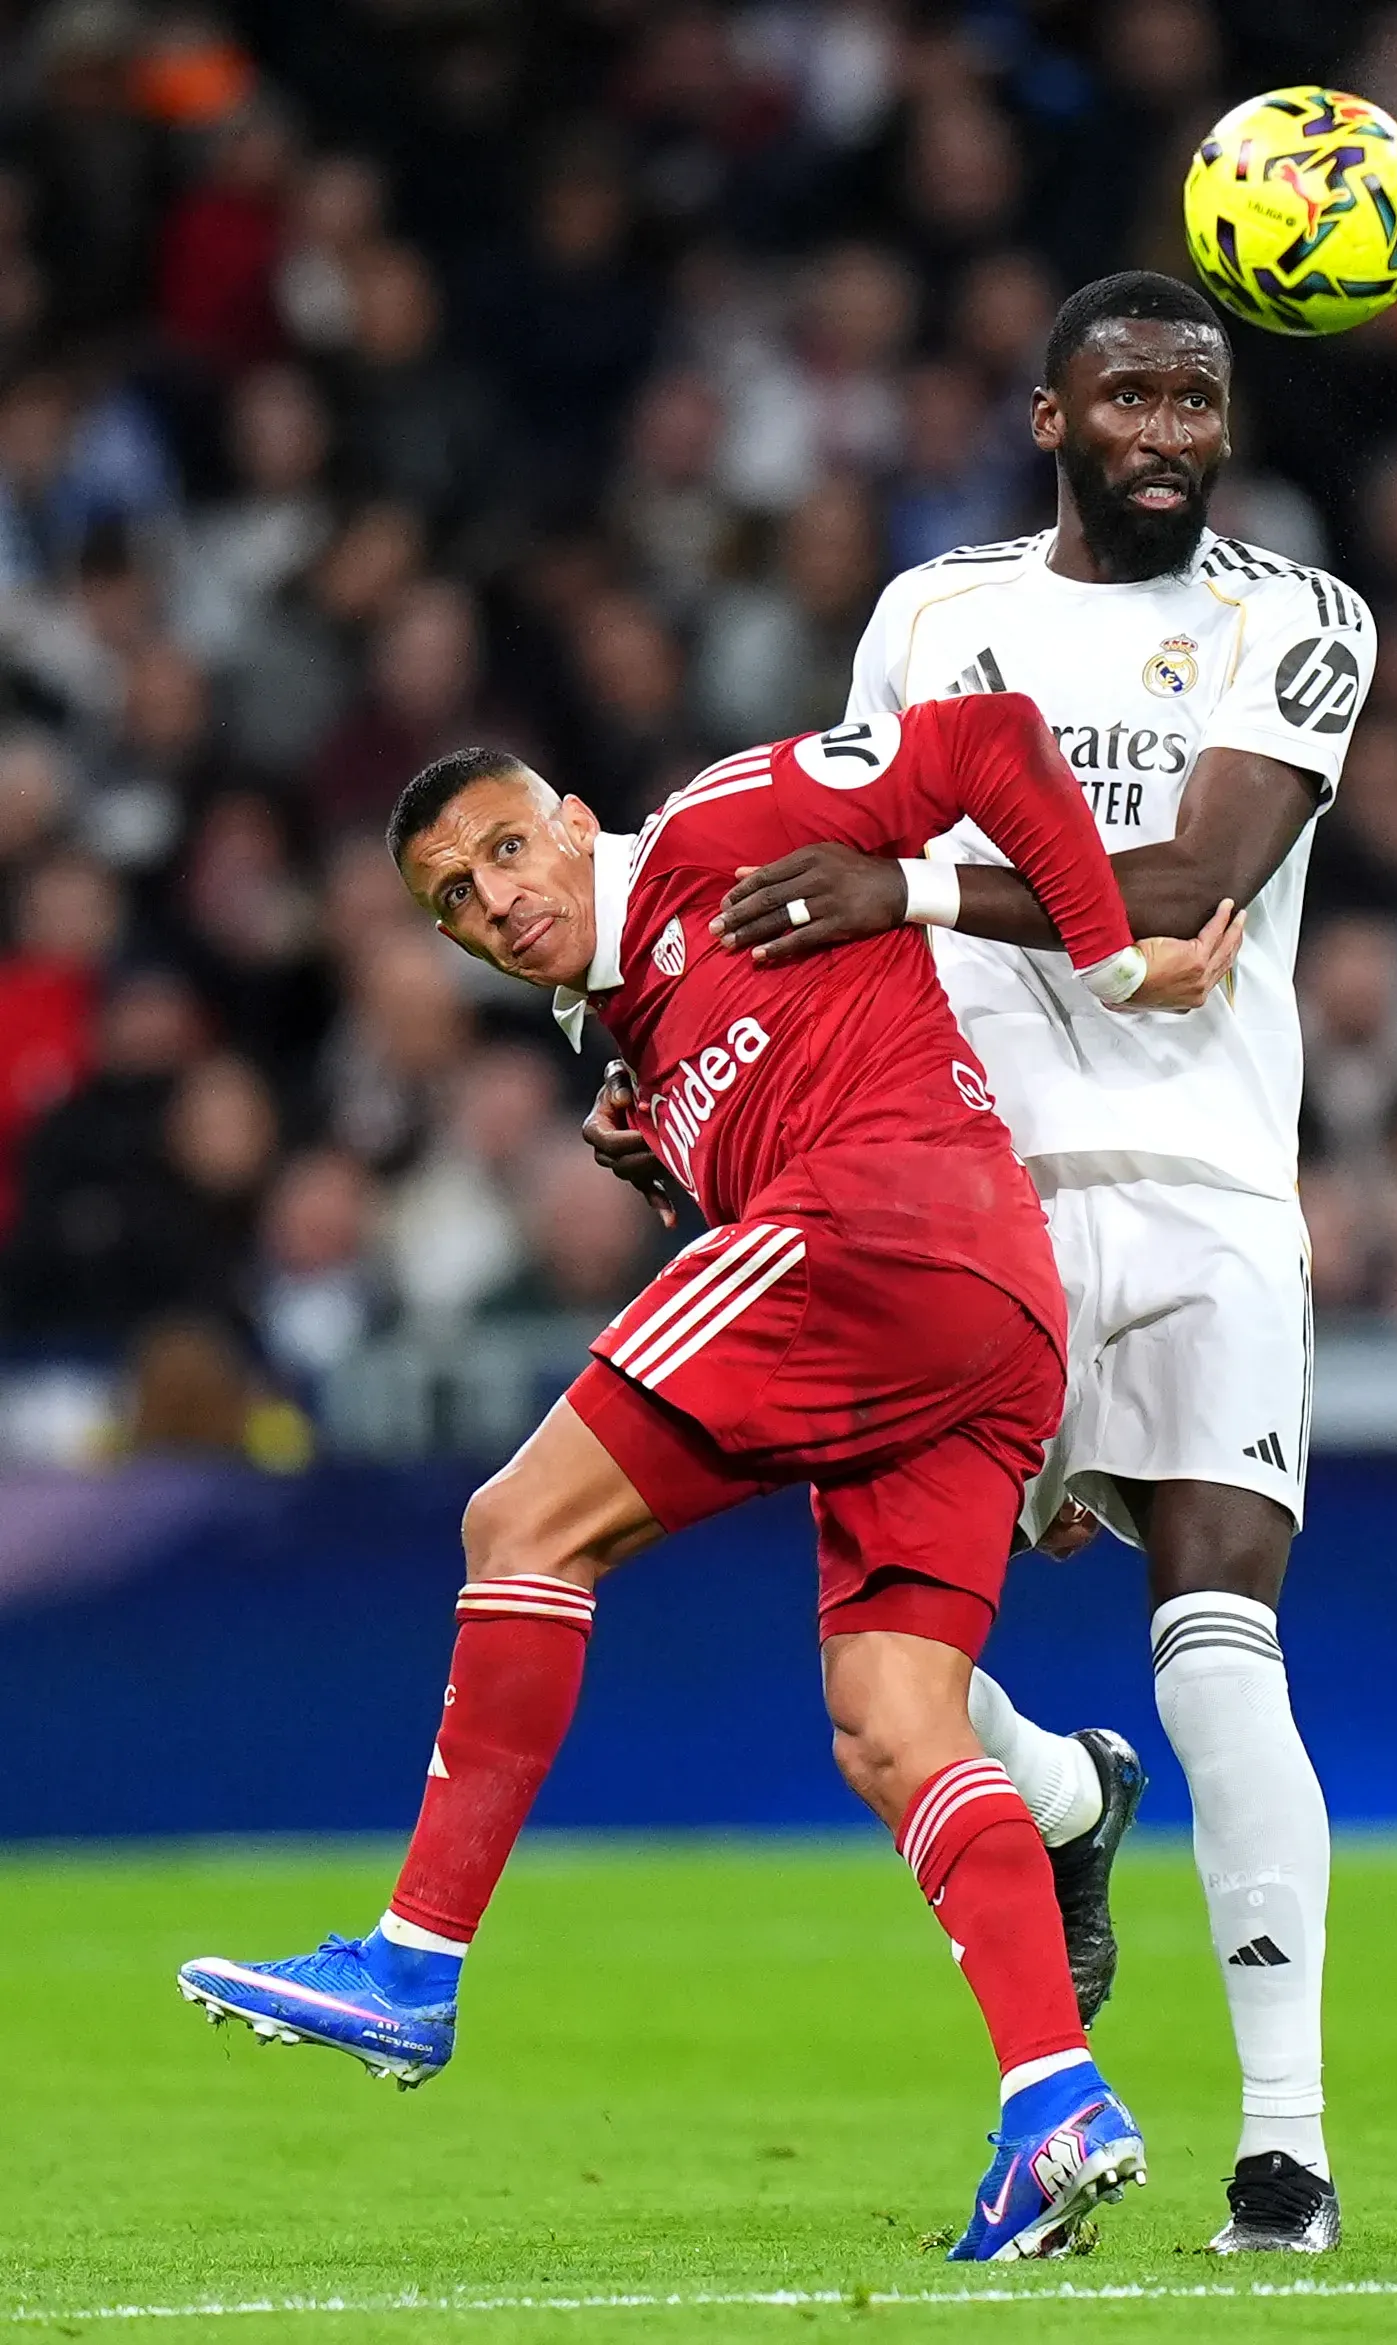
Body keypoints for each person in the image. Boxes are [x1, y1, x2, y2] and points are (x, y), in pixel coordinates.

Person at [176, 691, 1225, 2263]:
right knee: (892, 1726)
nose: (494, 901)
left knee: (520, 1524)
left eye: (506, 850)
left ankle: (411, 1964)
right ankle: (1053, 2108)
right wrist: (666, 1143)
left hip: (878, 1232)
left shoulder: (727, 822)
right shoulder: (639, 1039)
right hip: (979, 1315)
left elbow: (989, 738)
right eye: (453, 898)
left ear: (573, 820)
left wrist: (1111, 959)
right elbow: (783, 1065)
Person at [712, 271, 1378, 2253]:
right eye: (1130, 398)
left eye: (1197, 399)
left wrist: (910, 882)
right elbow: (817, 874)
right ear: (1048, 420)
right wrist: (679, 1063)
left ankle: (1284, 2151)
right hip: (965, 1200)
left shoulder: (1300, 619)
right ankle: (1067, 1806)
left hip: (1206, 1189)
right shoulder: (932, 614)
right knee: (887, 1690)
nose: (1168, 433)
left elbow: (1186, 884)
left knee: (1221, 1655)